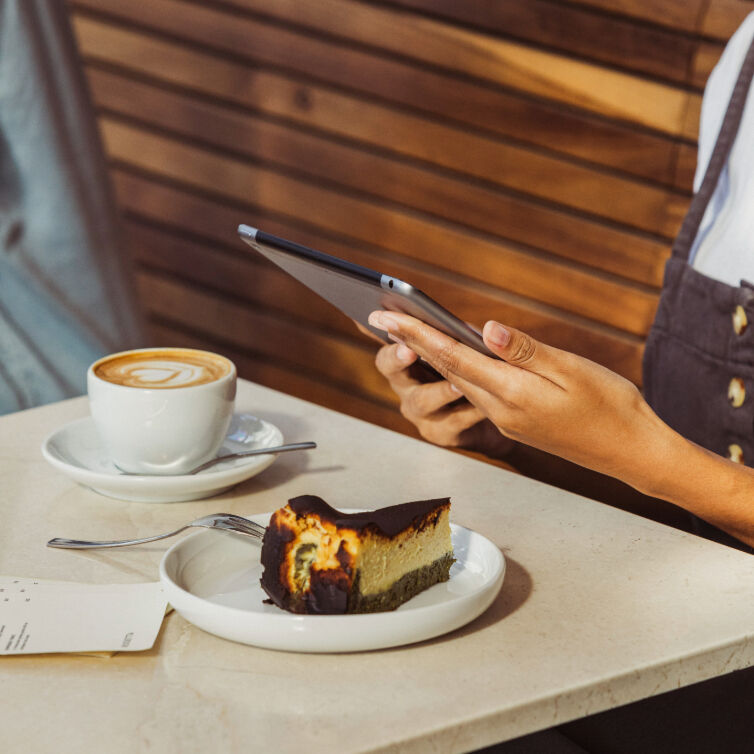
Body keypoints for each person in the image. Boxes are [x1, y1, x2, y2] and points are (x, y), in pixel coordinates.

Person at [367, 12, 754, 555]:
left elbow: (664, 468)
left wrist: (638, 452)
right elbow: (692, 496)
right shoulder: (744, 55)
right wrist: (529, 436)